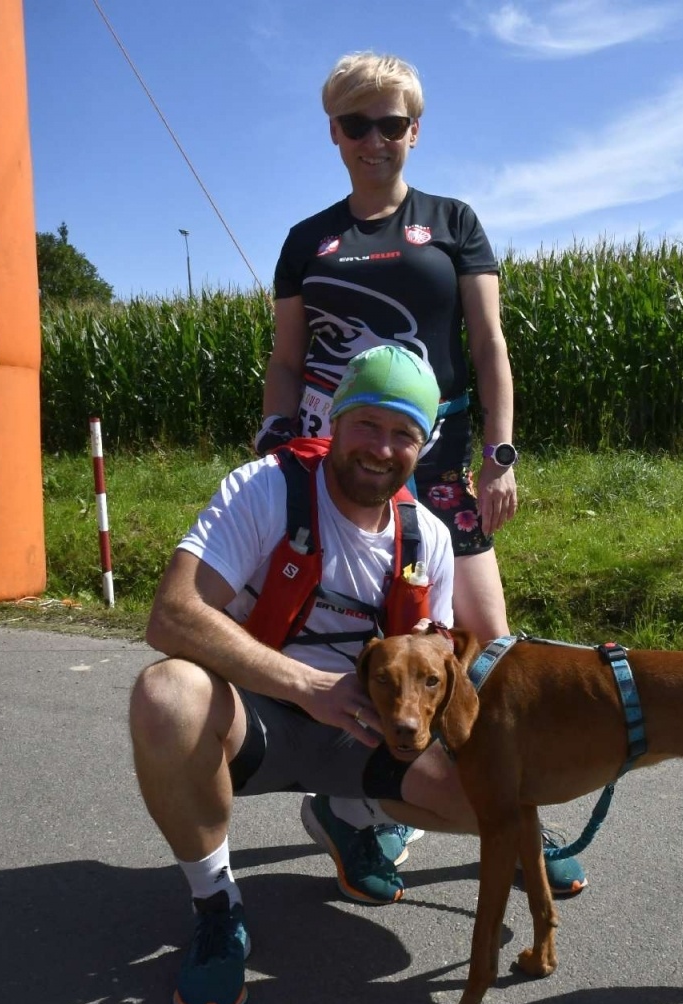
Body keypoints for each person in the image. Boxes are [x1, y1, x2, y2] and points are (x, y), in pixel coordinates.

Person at [130, 348, 567, 1004]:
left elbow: (431, 669)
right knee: (166, 696)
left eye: (403, 434)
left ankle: (350, 814)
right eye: (366, 424)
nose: (382, 448)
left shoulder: (428, 536)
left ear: (423, 446)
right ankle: (217, 907)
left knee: (494, 795)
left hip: (366, 732)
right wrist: (309, 687)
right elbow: (172, 615)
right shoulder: (266, 488)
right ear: (334, 421)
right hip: (255, 717)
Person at [255, 51, 568, 893]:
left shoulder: (452, 222)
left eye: (390, 123)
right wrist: (274, 441)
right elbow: (286, 360)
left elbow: (489, 346)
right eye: (355, 124)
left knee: (487, 645)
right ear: (334, 133)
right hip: (338, 473)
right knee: (367, 645)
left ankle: (515, 812)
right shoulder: (307, 240)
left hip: (438, 466)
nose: (374, 139)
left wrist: (500, 454)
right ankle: (355, 810)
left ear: (415, 131)